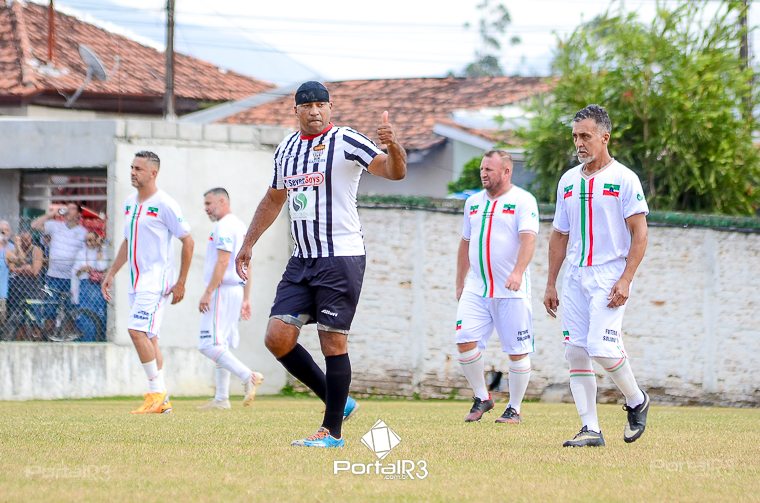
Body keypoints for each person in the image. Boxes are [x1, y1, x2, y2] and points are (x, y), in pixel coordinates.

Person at [234, 81, 406, 448]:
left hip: (340, 257)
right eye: (307, 105)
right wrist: (248, 243)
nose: (315, 111)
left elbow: (393, 171)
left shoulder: (346, 140)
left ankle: (332, 433)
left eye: (321, 105)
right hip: (302, 259)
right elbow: (273, 198)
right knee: (277, 337)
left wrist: (394, 147)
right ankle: (337, 398)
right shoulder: (286, 148)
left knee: (332, 342)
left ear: (330, 108)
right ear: (295, 110)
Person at [543, 104, 650, 448]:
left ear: (605, 137)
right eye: (575, 136)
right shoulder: (567, 181)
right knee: (575, 352)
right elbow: (559, 234)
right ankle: (590, 429)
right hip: (574, 276)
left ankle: (636, 399)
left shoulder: (624, 179)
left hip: (609, 274)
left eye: (586, 136)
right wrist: (551, 282)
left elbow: (640, 233)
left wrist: (626, 278)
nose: (579, 143)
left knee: (600, 346)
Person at [102, 151, 194, 414]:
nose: (132, 172)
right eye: (132, 168)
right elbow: (128, 241)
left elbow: (188, 241)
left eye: (138, 169)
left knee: (136, 330)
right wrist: (112, 272)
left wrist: (181, 282)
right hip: (137, 281)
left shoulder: (165, 204)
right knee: (150, 337)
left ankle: (155, 392)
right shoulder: (129, 203)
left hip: (156, 281)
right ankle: (162, 401)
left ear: (154, 173)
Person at [455, 150, 539, 423]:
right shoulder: (473, 203)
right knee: (464, 339)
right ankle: (482, 397)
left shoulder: (523, 200)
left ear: (506, 171)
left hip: (510, 290)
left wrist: (518, 272)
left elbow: (529, 240)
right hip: (477, 288)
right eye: (482, 169)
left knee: (517, 351)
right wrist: (460, 281)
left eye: (489, 169)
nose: (483, 173)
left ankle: (514, 408)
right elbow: (465, 242)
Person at [197, 187, 264, 410]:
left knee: (208, 344)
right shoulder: (240, 225)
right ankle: (221, 398)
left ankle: (248, 376)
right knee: (221, 344)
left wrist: (208, 292)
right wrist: (246, 297)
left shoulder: (225, 226)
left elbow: (224, 261)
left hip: (222, 291)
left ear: (222, 201)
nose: (206, 208)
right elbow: (247, 264)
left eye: (209, 203)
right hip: (234, 290)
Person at [31, 202, 86, 301]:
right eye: (67, 208)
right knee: (50, 306)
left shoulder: (83, 232)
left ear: (78, 214)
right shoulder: (55, 225)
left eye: (72, 208)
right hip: (53, 276)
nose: (68, 210)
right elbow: (34, 225)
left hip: (72, 277)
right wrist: (52, 214)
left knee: (70, 307)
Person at [6, 228, 43, 337]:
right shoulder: (14, 250)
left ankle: (37, 338)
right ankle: (20, 340)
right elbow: (11, 268)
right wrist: (24, 268)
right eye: (22, 240)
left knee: (35, 320)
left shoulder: (36, 250)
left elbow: (35, 271)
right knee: (19, 321)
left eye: (27, 240)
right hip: (17, 288)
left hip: (32, 289)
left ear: (31, 239)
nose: (25, 242)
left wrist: (20, 270)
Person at [71, 231, 108, 342]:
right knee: (86, 315)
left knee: (99, 314)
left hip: (96, 285)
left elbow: (101, 267)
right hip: (85, 284)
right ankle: (88, 340)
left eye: (91, 240)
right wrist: (82, 269)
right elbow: (75, 273)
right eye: (86, 240)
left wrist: (100, 249)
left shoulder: (102, 251)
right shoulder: (81, 253)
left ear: (97, 240)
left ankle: (98, 339)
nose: (88, 243)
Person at [0, 220, 13, 325]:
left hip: (2, 292)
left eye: (6, 230)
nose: (3, 233)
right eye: (1, 230)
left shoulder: (12, 247)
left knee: (1, 319)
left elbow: (14, 266)